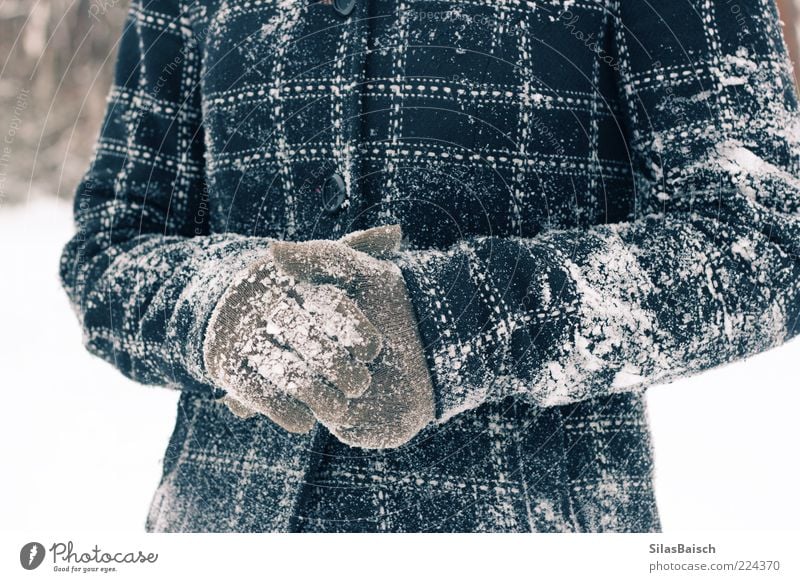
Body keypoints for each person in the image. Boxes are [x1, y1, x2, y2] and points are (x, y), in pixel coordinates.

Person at [60, 0, 800, 532]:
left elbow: (765, 237)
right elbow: (111, 244)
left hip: (534, 532)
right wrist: (220, 305)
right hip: (222, 528)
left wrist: (461, 320)